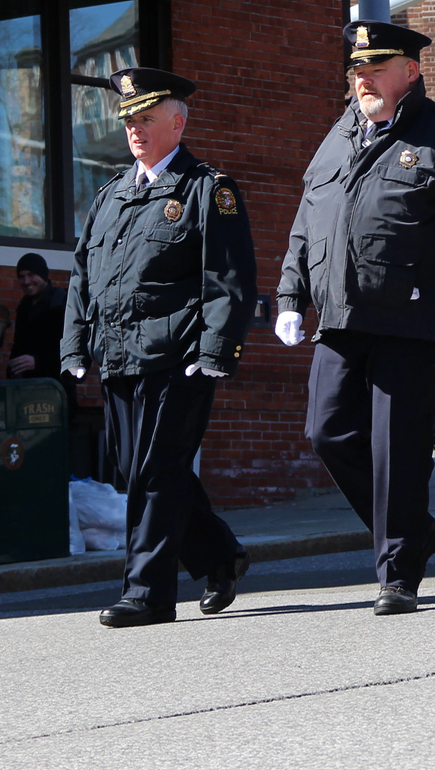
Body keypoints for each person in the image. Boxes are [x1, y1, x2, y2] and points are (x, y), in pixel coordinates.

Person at [276, 21, 435, 616]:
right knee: (326, 432)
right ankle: (414, 529)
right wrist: (289, 297)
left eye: (375, 68)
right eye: (356, 69)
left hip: (412, 317)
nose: (362, 78)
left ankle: (398, 571)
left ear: (410, 71)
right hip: (341, 316)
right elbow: (307, 225)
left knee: (397, 446)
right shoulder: (337, 136)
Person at [59, 69, 258, 627]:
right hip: (120, 355)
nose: (135, 130)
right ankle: (221, 555)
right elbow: (82, 278)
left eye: (146, 118)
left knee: (157, 471)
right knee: (135, 471)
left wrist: (217, 350)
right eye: (128, 121)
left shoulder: (204, 189)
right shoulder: (111, 196)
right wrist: (75, 345)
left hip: (179, 355)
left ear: (178, 121)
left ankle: (146, 593)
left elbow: (230, 278)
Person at [8, 253, 69, 397]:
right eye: (21, 276)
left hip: (57, 393)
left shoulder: (61, 302)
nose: (26, 281)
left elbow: (72, 352)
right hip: (25, 391)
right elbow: (18, 347)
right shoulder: (24, 306)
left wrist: (39, 362)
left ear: (43, 275)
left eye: (31, 274)